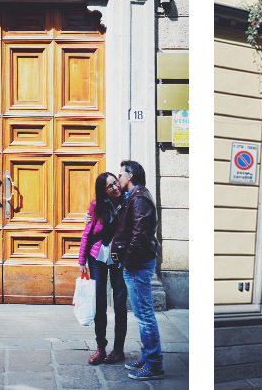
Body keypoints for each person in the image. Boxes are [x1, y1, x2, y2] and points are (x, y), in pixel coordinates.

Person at [111, 160, 164, 381]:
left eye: (120, 175)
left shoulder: (140, 198)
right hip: (137, 262)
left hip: (137, 264)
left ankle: (154, 365)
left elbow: (140, 234)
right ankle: (148, 357)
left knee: (144, 315)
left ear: (130, 175)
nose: (118, 179)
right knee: (143, 314)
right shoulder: (135, 197)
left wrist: (128, 262)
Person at [79, 172, 127, 365]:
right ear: (103, 190)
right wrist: (82, 258)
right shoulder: (96, 205)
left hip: (119, 257)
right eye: (109, 186)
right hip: (97, 256)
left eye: (115, 182)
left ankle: (118, 349)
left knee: (120, 303)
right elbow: (88, 232)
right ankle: (100, 347)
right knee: (99, 302)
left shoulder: (128, 202)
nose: (115, 187)